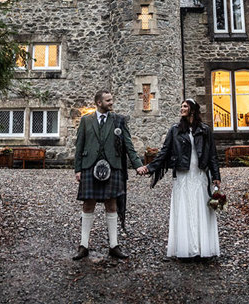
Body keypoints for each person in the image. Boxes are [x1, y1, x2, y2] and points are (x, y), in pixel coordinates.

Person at [139, 98, 221, 259]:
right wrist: (149, 167)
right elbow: (164, 152)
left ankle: (202, 248)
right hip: (183, 174)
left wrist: (216, 176)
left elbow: (212, 154)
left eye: (185, 106)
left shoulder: (205, 130)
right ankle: (187, 248)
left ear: (193, 109)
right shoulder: (175, 130)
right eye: (181, 106)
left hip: (199, 175)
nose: (182, 108)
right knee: (184, 208)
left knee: (200, 209)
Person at [73, 90, 145, 260]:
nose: (111, 102)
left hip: (113, 167)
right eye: (108, 100)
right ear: (99, 102)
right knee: (88, 204)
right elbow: (79, 145)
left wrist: (138, 165)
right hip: (89, 166)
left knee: (111, 204)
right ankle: (84, 246)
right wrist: (77, 169)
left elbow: (128, 144)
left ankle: (114, 246)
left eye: (111, 99)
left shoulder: (119, 120)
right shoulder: (86, 120)